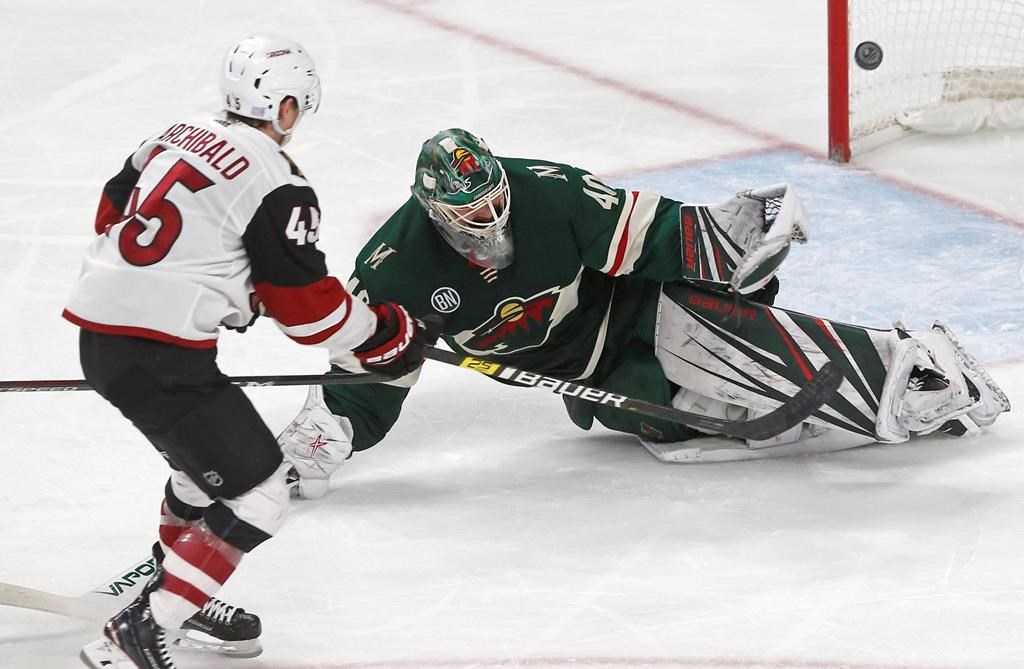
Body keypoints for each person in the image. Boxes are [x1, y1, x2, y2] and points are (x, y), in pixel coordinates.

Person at [278, 127, 1009, 498]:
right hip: (588, 373)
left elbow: (646, 231)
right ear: (432, 210)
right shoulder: (394, 267)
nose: (490, 221)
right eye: (469, 214)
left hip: (639, 304)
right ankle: (817, 403)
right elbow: (372, 361)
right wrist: (330, 429)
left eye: (495, 202)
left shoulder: (549, 192)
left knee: (709, 336)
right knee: (677, 416)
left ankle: (907, 379)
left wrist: (720, 241)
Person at [65, 35, 437, 669]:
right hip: (160, 356)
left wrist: (220, 280)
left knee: (200, 471)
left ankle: (181, 590)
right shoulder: (277, 179)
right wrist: (385, 336)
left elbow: (112, 211)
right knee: (261, 493)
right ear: (287, 107)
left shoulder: (172, 134)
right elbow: (310, 315)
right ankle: (143, 629)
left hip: (99, 337)